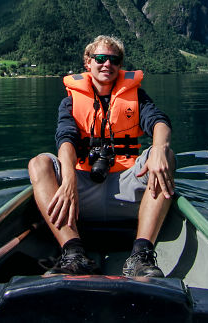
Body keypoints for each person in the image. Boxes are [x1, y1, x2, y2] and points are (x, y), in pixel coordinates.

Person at [27, 35, 176, 278]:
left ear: (120, 65)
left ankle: (141, 255)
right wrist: (68, 179)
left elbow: (159, 122)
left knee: (166, 155)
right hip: (81, 191)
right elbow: (65, 139)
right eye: (100, 58)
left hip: (128, 187)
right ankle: (73, 253)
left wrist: (159, 148)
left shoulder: (136, 97)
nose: (107, 64)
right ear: (88, 62)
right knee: (39, 163)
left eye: (114, 60)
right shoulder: (70, 102)